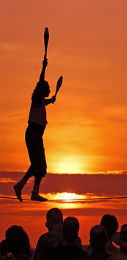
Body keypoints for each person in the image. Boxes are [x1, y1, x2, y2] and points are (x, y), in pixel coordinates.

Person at [14, 56, 59, 202]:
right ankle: (23, 187)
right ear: (42, 90)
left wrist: (51, 100)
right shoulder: (36, 99)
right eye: (48, 87)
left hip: (37, 136)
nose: (50, 89)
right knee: (37, 164)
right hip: (33, 135)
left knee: (41, 165)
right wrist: (44, 67)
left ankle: (30, 189)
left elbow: (45, 102)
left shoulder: (40, 102)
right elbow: (40, 83)